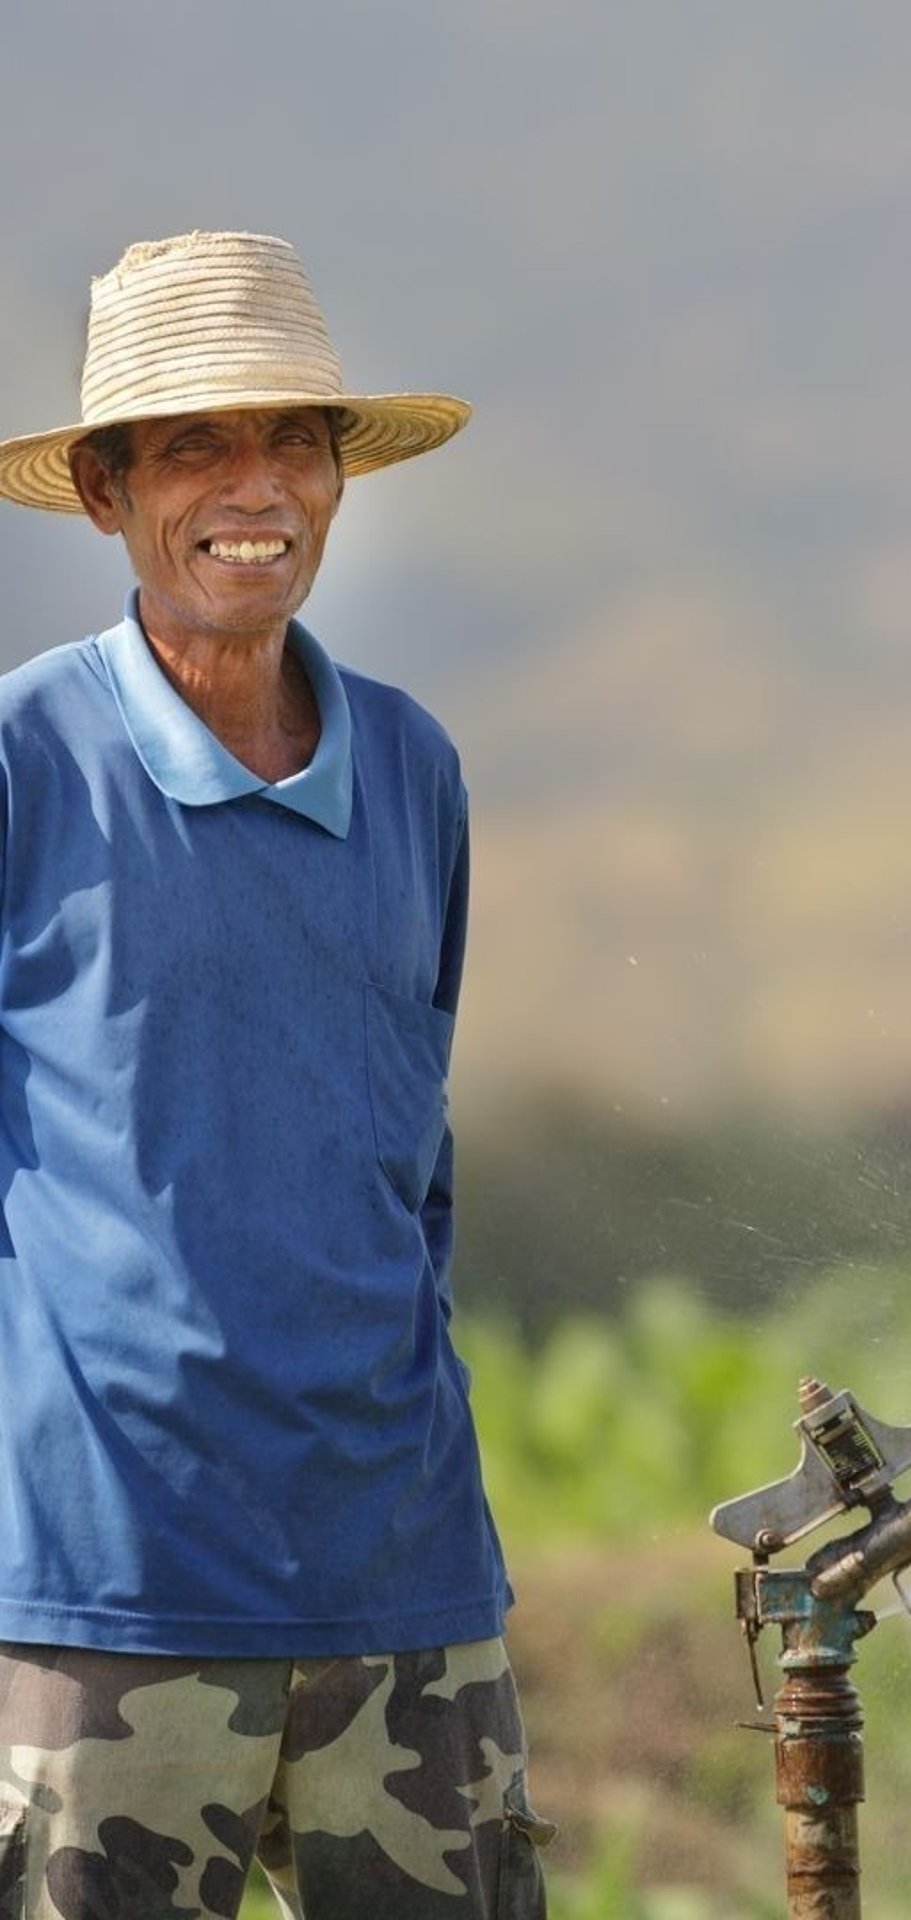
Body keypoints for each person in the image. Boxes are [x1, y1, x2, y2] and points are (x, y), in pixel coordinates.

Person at [0, 231, 550, 1918]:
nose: (258, 490)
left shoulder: (412, 764)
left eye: (292, 443)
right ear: (104, 494)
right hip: (112, 1593)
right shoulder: (27, 760)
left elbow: (411, 1147)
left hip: (405, 1581)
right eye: (194, 449)